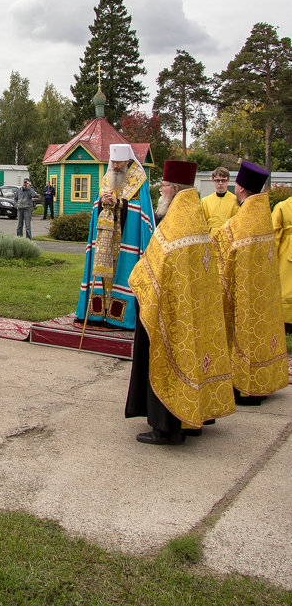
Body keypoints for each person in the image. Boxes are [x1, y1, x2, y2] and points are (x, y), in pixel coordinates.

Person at [125, 160, 235, 444]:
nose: (160, 191)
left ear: (173, 188)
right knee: (192, 357)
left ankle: (166, 428)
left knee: (170, 360)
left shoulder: (175, 221)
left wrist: (137, 282)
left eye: (162, 186)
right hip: (195, 308)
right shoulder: (194, 213)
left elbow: (154, 265)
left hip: (173, 308)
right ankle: (191, 420)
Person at [213, 160, 288, 405]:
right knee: (261, 333)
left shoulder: (240, 223)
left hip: (242, 293)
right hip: (263, 291)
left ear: (241, 188)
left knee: (242, 332)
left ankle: (243, 387)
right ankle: (262, 381)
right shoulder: (262, 215)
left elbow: (221, 252)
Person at [75, 144, 155, 331]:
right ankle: (99, 313)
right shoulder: (107, 178)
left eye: (119, 163)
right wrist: (103, 202)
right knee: (103, 274)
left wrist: (119, 203)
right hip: (106, 240)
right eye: (113, 162)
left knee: (124, 273)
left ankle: (120, 318)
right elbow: (96, 205)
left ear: (128, 161)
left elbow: (141, 213)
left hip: (126, 239)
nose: (116, 166)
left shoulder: (138, 180)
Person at [272, 194, 292, 333]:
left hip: (285, 253)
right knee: (285, 290)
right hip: (286, 255)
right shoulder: (282, 207)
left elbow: (274, 236)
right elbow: (274, 236)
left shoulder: (282, 206)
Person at [201, 167, 239, 232]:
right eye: (218, 180)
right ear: (213, 180)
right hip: (210, 238)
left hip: (228, 237)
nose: (220, 183)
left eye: (223, 180)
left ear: (228, 180)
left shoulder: (236, 201)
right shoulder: (205, 201)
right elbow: (202, 223)